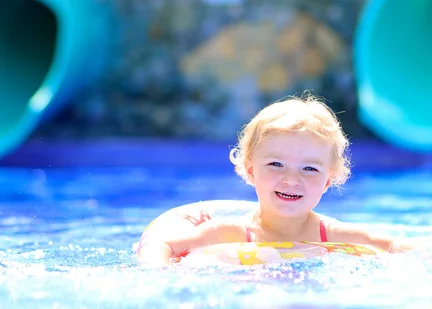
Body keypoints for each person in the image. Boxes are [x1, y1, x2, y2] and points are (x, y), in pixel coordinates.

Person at [140, 93, 411, 266]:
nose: (291, 179)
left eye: (310, 169)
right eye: (276, 164)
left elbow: (391, 245)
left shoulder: (334, 234)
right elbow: (162, 245)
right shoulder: (229, 233)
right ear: (250, 171)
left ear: (328, 181)